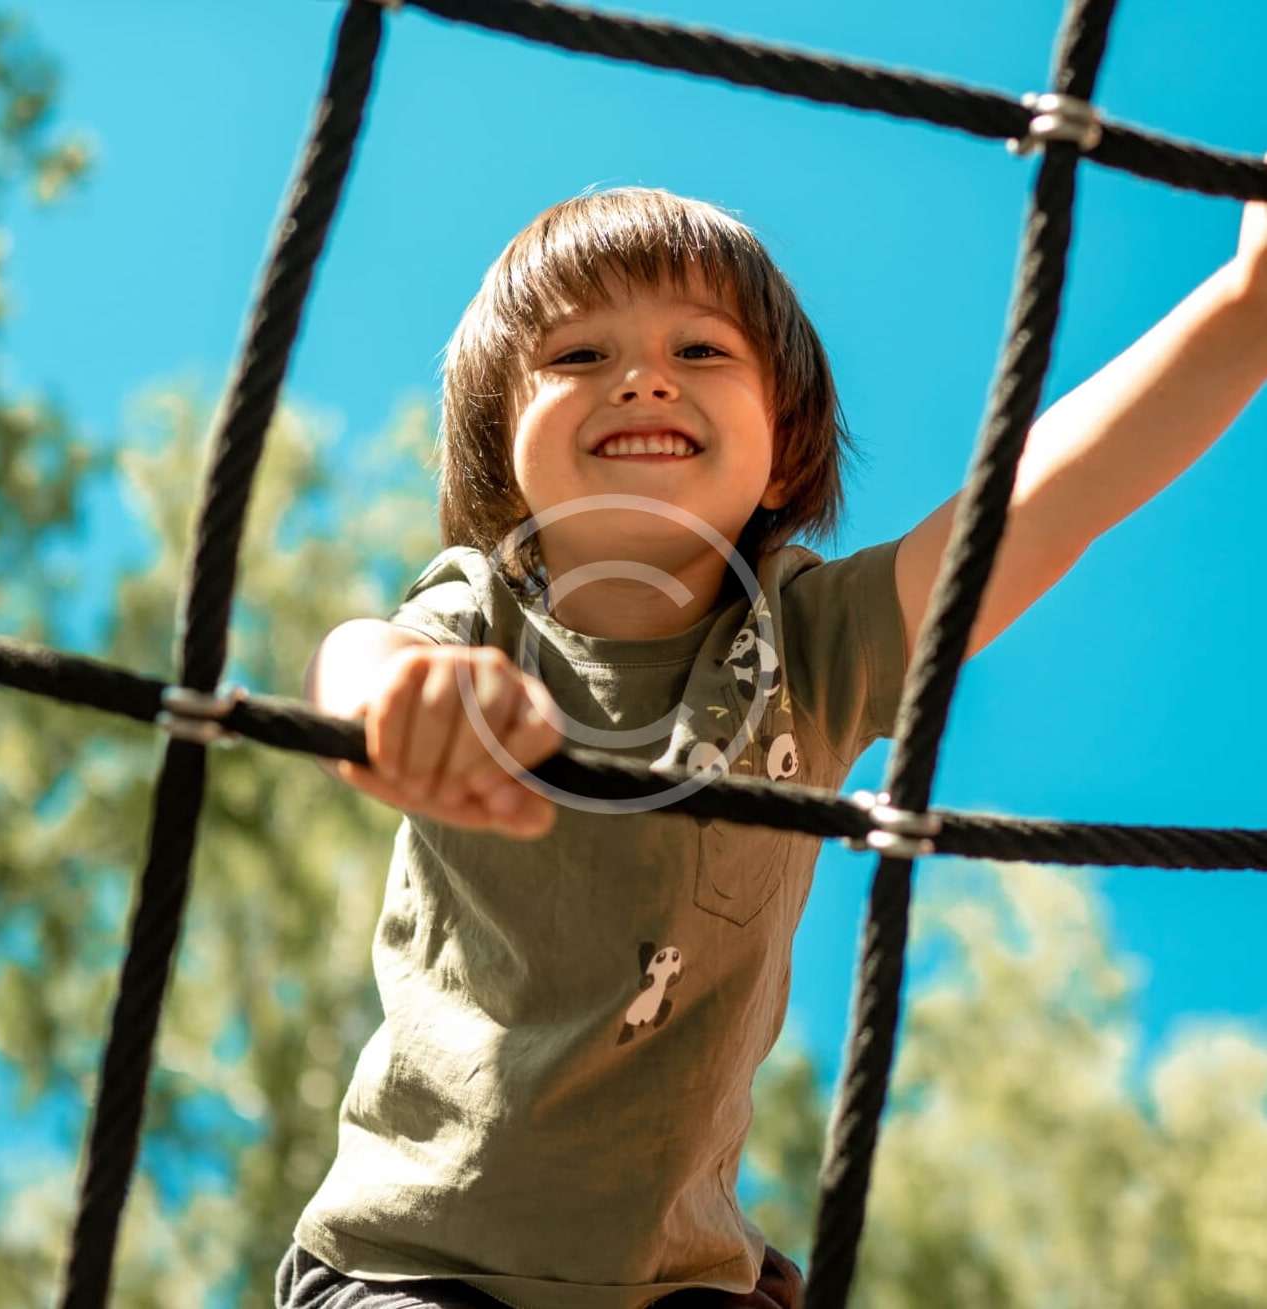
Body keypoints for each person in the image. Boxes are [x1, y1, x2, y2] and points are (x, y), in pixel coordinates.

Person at [276, 184, 1267, 1308]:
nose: (642, 377)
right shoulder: (483, 614)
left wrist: (1245, 305)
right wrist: (394, 699)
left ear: (786, 451)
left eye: (700, 349)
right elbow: (358, 657)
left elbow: (1039, 504)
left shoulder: (809, 648)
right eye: (578, 354)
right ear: (503, 453)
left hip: (683, 1281)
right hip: (418, 1264)